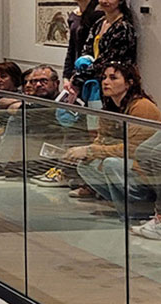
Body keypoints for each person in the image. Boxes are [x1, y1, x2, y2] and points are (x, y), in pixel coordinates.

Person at [68, 63, 159, 223]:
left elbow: (134, 149)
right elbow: (101, 139)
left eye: (113, 78)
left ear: (129, 83)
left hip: (145, 170)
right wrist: (85, 153)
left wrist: (91, 151)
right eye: (104, 78)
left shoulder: (142, 107)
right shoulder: (109, 107)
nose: (105, 82)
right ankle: (124, 205)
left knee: (111, 164)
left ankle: (140, 209)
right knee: (85, 166)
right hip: (126, 162)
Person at [82, 0, 138, 71]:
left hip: (114, 76)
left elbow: (108, 60)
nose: (104, 0)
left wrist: (83, 73)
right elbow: (87, 49)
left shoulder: (123, 28)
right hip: (94, 74)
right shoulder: (99, 23)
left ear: (121, 0)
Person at [63, 0, 102, 82]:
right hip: (77, 70)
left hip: (93, 73)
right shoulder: (73, 15)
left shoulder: (99, 15)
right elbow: (72, 48)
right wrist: (66, 76)